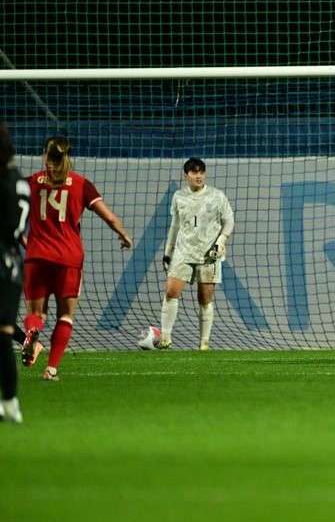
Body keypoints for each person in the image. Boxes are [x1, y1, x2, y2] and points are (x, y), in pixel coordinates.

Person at [22, 136, 133, 381]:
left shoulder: (30, 182)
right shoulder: (81, 184)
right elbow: (110, 218)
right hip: (69, 259)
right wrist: (123, 234)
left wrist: (22, 240)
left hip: (36, 257)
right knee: (65, 315)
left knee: (37, 315)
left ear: (44, 155)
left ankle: (32, 333)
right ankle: (51, 369)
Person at [159, 158, 235, 351]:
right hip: (183, 252)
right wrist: (168, 252)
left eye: (201, 172)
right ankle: (165, 338)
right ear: (186, 176)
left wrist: (220, 242)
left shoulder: (217, 196)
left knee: (205, 298)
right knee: (171, 292)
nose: (198, 176)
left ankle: (204, 342)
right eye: (194, 172)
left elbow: (229, 222)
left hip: (208, 254)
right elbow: (175, 225)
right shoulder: (179, 197)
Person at [0, 124, 27, 421]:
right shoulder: (20, 181)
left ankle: (9, 402)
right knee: (3, 334)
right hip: (12, 264)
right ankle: (9, 402)